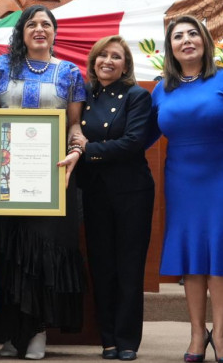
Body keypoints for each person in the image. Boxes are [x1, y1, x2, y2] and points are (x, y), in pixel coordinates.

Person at [146, 15, 223, 363]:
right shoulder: (162, 88)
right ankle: (197, 334)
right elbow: (143, 134)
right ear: (171, 49)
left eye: (193, 33)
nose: (186, 40)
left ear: (205, 41)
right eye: (178, 36)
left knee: (221, 256)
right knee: (192, 256)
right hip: (182, 181)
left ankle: (222, 336)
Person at [0, 4, 87, 360]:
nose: (39, 29)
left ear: (54, 32)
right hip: (4, 177)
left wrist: (76, 148)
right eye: (32, 24)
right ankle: (11, 333)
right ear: (21, 32)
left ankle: (38, 332)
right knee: (9, 252)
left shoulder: (70, 73)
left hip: (52, 178)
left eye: (46, 24)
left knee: (42, 256)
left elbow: (74, 125)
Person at [70, 35, 154, 361]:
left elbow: (133, 143)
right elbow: (71, 130)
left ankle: (128, 339)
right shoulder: (83, 95)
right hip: (94, 191)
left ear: (125, 65)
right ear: (92, 62)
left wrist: (87, 150)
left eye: (115, 57)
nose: (107, 61)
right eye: (102, 55)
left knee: (129, 268)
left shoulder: (136, 96)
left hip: (132, 191)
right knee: (102, 266)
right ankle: (108, 338)